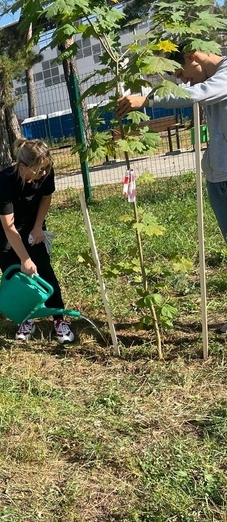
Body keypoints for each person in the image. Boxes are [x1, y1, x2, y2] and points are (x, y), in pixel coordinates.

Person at [116, 45, 227, 332]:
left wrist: (148, 99)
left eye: (181, 73)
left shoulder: (223, 76)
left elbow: (194, 94)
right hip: (218, 178)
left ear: (194, 57)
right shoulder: (210, 81)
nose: (184, 81)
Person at [0, 138, 74, 343]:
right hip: (4, 229)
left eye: (46, 168)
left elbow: (46, 197)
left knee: (43, 267)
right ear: (23, 166)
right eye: (39, 169)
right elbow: (9, 227)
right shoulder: (4, 181)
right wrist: (24, 259)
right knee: (17, 272)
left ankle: (59, 319)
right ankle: (26, 318)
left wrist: (38, 227)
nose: (44, 173)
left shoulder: (46, 171)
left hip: (32, 222)